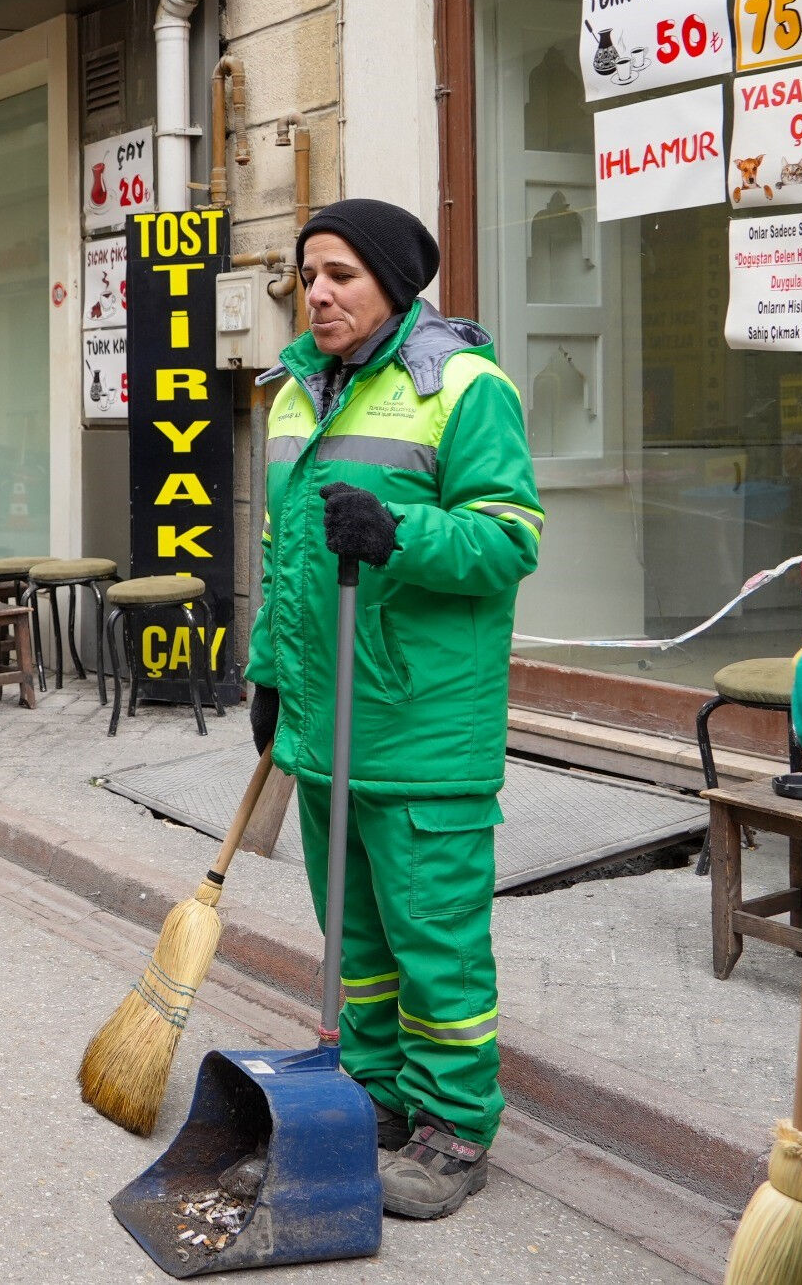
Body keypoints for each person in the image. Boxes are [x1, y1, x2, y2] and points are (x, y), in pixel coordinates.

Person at [238, 197, 543, 1220]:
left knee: (434, 939)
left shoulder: (463, 386)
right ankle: (372, 1090)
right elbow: (282, 559)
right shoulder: (290, 394)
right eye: (307, 274)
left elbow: (508, 540)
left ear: (393, 284)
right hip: (327, 723)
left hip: (422, 726)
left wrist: (399, 532)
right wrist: (270, 673)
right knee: (353, 935)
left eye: (341, 275)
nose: (317, 293)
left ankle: (455, 1125)